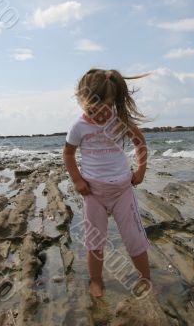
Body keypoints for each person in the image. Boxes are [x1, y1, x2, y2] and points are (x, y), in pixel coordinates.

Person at [63, 68, 152, 298]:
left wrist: (141, 169)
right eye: (93, 110)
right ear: (82, 102)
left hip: (122, 190)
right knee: (95, 240)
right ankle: (95, 280)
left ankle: (146, 280)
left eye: (105, 109)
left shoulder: (120, 121)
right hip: (93, 192)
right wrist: (77, 180)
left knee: (134, 238)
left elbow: (140, 144)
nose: (99, 116)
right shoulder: (79, 127)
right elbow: (68, 154)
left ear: (114, 102)